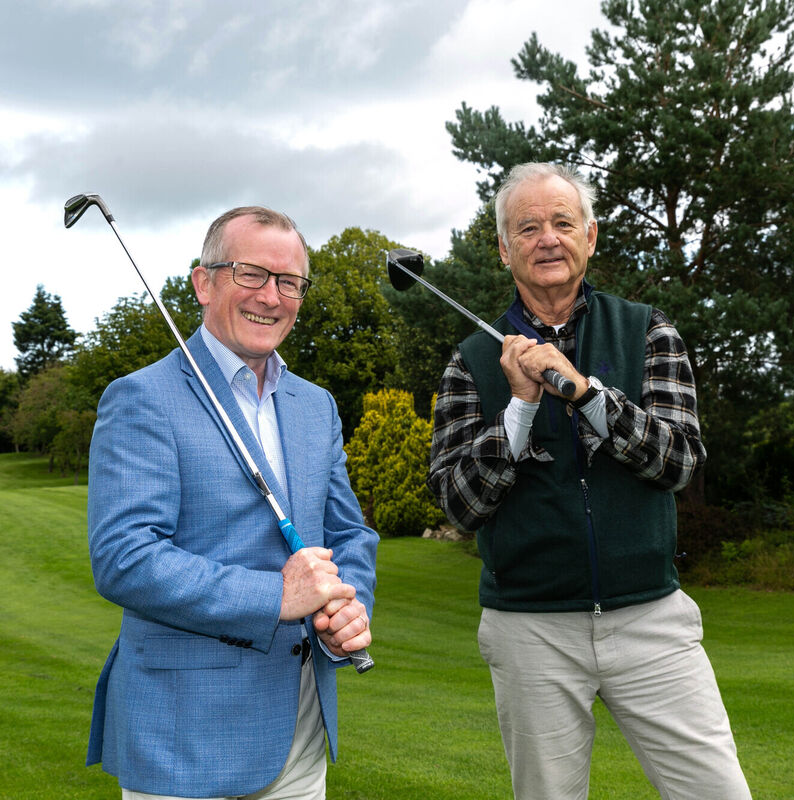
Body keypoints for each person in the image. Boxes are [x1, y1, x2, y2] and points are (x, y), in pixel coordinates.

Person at [428, 162, 751, 800]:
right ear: (503, 249)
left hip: (650, 618)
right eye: (527, 228)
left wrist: (588, 395)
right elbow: (457, 503)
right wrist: (518, 410)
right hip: (531, 628)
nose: (547, 238)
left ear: (591, 237)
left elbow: (681, 461)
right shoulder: (470, 361)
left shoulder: (647, 329)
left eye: (562, 223)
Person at [86, 206, 378, 800]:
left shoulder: (314, 405)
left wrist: (348, 608)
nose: (271, 297)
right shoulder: (141, 398)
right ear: (203, 283)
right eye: (251, 274)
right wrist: (278, 596)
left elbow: (350, 535)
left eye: (289, 282)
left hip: (301, 731)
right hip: (185, 735)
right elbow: (125, 558)